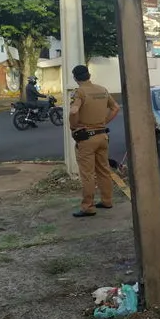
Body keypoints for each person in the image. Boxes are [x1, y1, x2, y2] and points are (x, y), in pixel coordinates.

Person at [69, 64, 120, 217]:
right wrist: (104, 121)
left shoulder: (80, 92)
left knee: (88, 174)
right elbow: (116, 107)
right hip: (102, 136)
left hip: (87, 137)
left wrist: (74, 126)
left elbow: (74, 110)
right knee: (104, 170)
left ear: (75, 78)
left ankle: (88, 207)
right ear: (89, 75)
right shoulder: (102, 90)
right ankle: (107, 200)